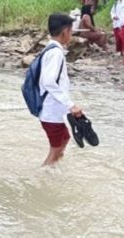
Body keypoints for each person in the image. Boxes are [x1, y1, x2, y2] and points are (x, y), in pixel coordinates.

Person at [39, 13, 84, 165]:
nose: (71, 35)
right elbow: (49, 82)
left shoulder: (50, 49)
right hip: (50, 111)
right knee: (56, 148)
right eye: (71, 31)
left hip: (52, 110)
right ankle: (44, 175)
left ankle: (53, 171)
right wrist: (71, 105)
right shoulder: (56, 53)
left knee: (64, 138)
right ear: (65, 31)